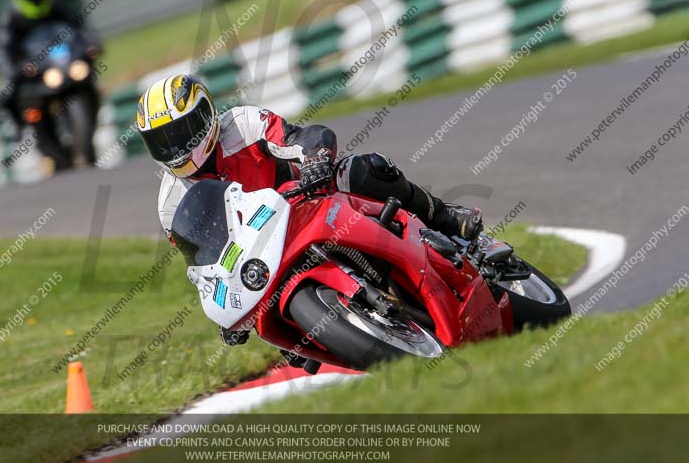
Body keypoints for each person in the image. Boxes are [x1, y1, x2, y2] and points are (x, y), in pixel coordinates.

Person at [136, 74, 483, 345]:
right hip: (261, 256)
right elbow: (200, 264)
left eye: (182, 133)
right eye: (162, 141)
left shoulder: (242, 125)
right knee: (272, 332)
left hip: (306, 201)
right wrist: (223, 314)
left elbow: (302, 136)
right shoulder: (170, 203)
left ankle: (444, 217)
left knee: (364, 169)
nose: (176, 149)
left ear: (206, 114)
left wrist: (316, 159)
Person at [0, 0, 100, 133]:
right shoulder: (10, 18)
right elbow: (3, 50)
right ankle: (15, 129)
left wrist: (92, 46)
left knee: (89, 77)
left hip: (60, 63)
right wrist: (14, 68)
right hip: (31, 70)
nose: (36, 0)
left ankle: (91, 119)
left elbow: (80, 28)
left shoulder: (56, 7)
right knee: (7, 91)